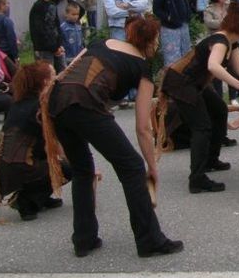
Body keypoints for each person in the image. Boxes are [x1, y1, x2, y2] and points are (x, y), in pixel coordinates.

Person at [44, 16, 183, 258]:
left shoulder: (101, 43)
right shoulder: (143, 67)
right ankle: (149, 240)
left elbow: (66, 71)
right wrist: (151, 167)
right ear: (151, 42)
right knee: (131, 167)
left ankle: (84, 239)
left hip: (58, 101)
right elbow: (143, 127)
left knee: (82, 170)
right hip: (86, 103)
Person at [160, 2, 239, 193]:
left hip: (195, 82)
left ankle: (211, 160)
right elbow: (213, 66)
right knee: (201, 127)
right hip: (181, 83)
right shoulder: (220, 41)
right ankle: (197, 179)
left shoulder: (232, 43)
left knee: (218, 110)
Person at [0, 61, 67, 223]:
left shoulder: (19, 103)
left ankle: (39, 197)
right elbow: (53, 144)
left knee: (57, 162)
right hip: (18, 168)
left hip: (4, 167)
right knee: (68, 167)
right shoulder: (39, 107)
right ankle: (26, 200)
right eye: (52, 76)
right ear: (44, 82)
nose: (56, 78)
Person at [152, 0, 191, 66]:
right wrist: (169, 17)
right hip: (170, 27)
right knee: (172, 56)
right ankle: (172, 78)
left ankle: (184, 78)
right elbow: (156, 9)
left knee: (186, 53)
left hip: (183, 24)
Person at [29, 0, 65, 72]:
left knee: (62, 72)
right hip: (44, 48)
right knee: (47, 74)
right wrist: (53, 47)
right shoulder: (38, 7)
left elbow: (56, 25)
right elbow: (39, 30)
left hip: (56, 46)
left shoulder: (52, 5)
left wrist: (59, 44)